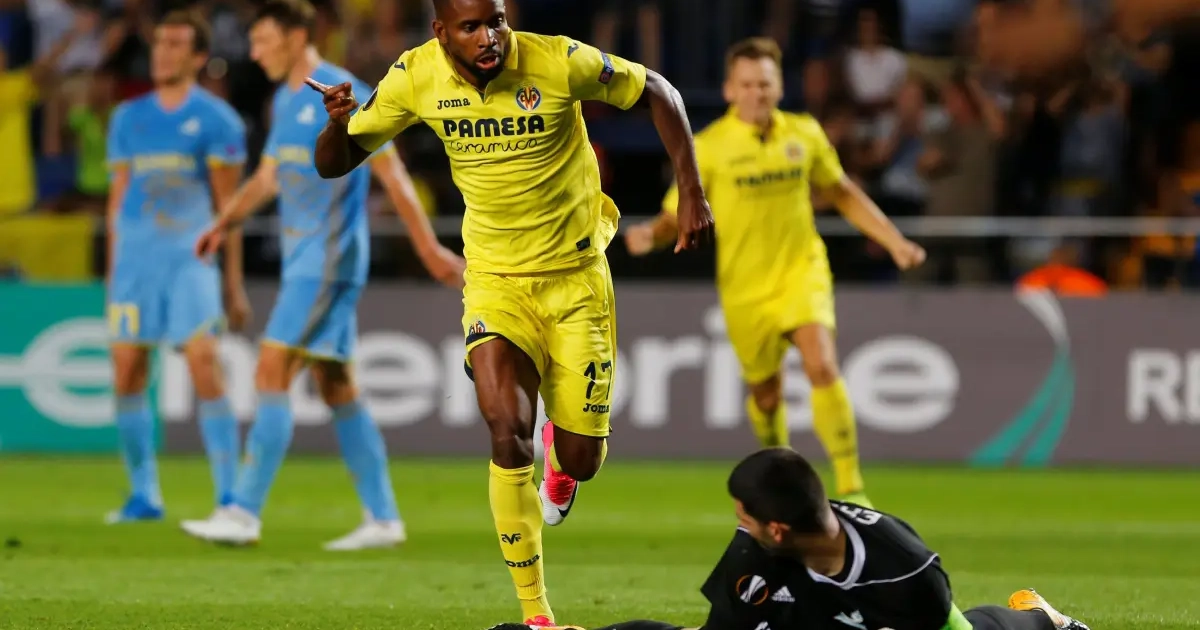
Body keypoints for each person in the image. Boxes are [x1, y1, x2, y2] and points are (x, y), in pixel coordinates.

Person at [308, 0, 714, 624]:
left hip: (575, 280)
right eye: (471, 27)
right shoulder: (415, 76)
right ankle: (537, 615)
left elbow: (659, 90)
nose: (489, 36)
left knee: (582, 459)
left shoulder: (558, 60)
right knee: (506, 431)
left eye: (496, 20)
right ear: (442, 32)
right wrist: (338, 125)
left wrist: (690, 190)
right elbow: (334, 163)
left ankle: (562, 455)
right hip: (495, 283)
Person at [179, 0, 465, 551]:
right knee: (337, 386)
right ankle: (383, 518)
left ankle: (241, 511)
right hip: (303, 262)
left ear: (295, 37)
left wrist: (428, 247)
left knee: (271, 369)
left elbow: (393, 174)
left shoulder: (343, 92)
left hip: (329, 260)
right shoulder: (282, 101)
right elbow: (268, 178)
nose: (254, 52)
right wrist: (223, 222)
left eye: (263, 41)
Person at [625, 38, 924, 507]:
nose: (756, 93)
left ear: (779, 87)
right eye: (746, 85)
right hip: (745, 288)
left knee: (821, 362)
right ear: (729, 90)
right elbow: (675, 215)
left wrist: (895, 242)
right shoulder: (708, 148)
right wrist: (651, 234)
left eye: (764, 84)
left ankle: (852, 487)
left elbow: (843, 193)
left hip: (802, 271)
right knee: (766, 396)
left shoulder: (804, 134)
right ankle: (781, 466)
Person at [488, 448, 1091, 630]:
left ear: (777, 528)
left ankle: (1043, 619)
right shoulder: (755, 551)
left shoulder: (905, 569)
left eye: (744, 517)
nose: (738, 526)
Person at [103, 10, 250, 524]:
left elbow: (230, 209)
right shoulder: (127, 118)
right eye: (159, 42)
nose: (162, 52)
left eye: (175, 45)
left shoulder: (218, 121)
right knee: (127, 370)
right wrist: (113, 271)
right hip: (135, 264)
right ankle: (144, 494)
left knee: (203, 365)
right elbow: (117, 200)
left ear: (198, 56)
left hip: (191, 261)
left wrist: (233, 284)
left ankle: (229, 496)